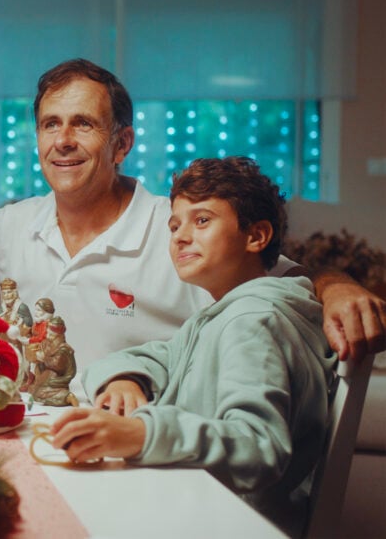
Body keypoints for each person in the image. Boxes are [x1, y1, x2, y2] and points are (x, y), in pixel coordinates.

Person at [0, 58, 385, 380]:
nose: (64, 140)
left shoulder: (178, 230)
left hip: (139, 450)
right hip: (30, 438)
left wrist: (338, 286)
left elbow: (290, 278)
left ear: (122, 144)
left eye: (84, 124)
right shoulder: (12, 225)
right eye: (51, 124)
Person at [47, 157, 335, 537]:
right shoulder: (220, 315)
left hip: (229, 523)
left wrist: (142, 435)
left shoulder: (251, 321)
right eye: (174, 225)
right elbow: (158, 355)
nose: (181, 236)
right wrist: (125, 380)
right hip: (200, 506)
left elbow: (259, 447)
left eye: (202, 220)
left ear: (256, 236)